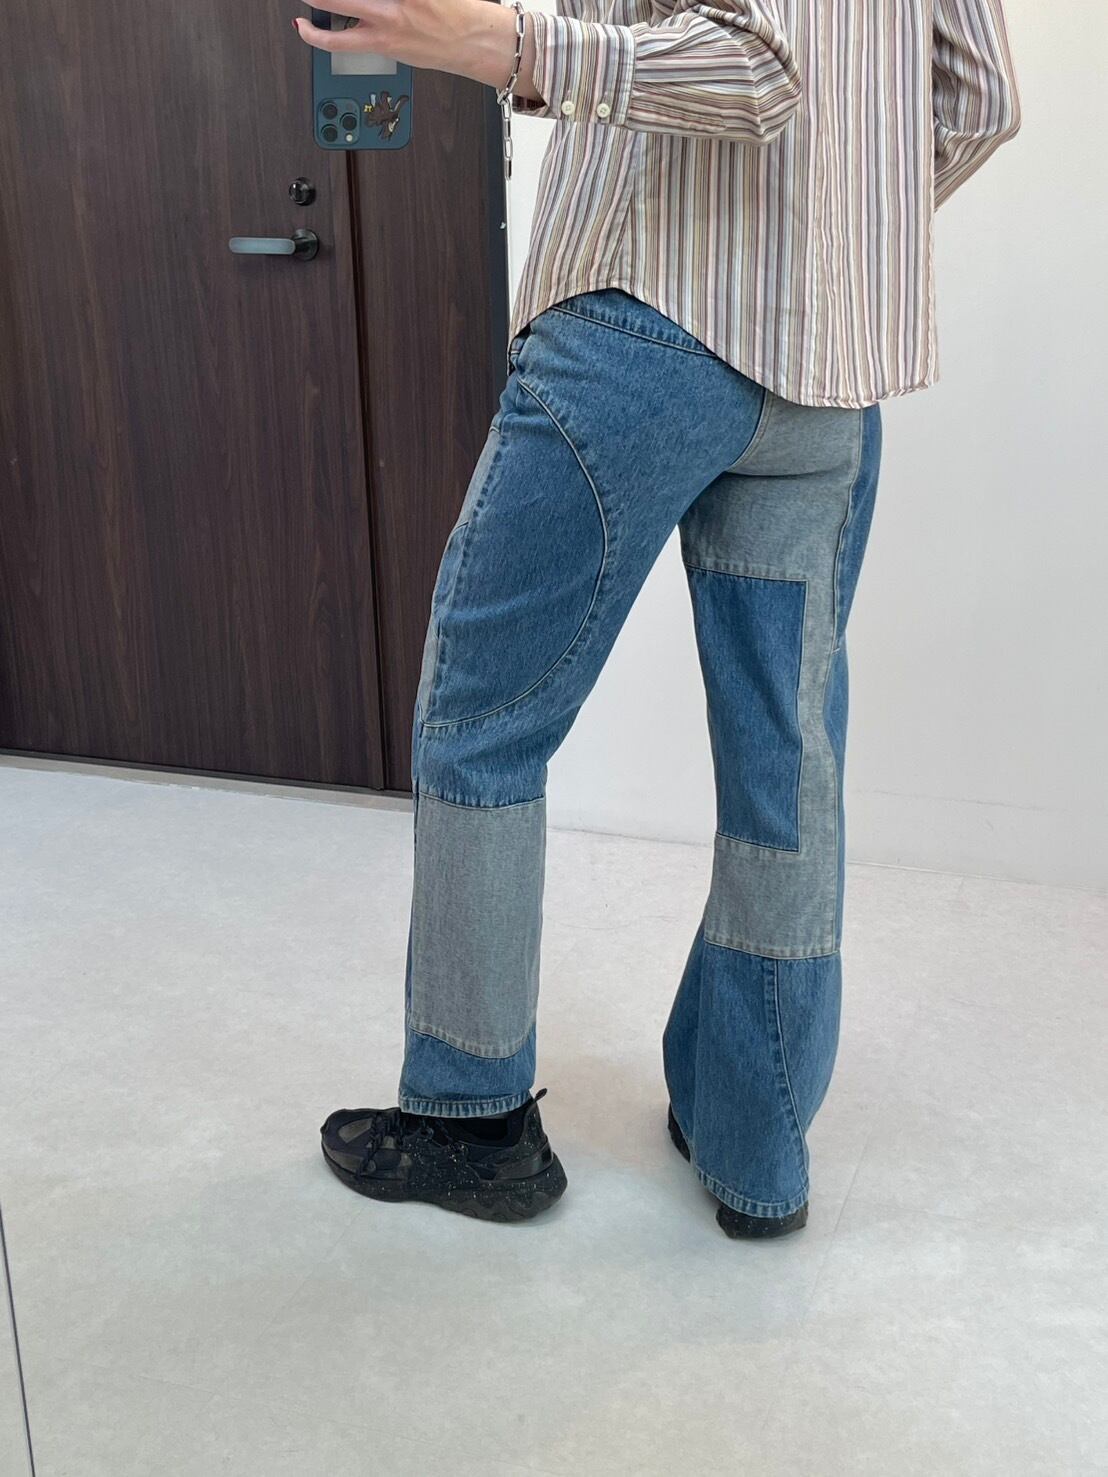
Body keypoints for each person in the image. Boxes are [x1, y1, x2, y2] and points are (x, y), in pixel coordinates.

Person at [295, 0, 1019, 1236]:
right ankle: (753, 1138)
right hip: (826, 372)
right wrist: (833, 235)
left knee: (483, 720)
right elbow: (980, 101)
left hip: (641, 326)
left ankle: (471, 1123)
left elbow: (759, 67)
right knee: (784, 761)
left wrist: (500, 43)